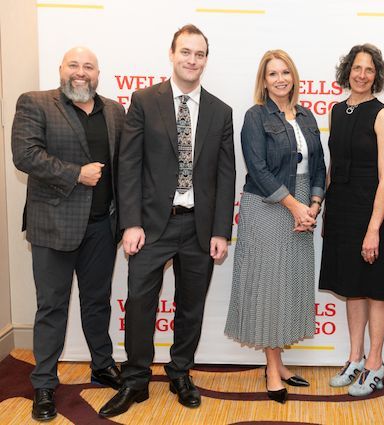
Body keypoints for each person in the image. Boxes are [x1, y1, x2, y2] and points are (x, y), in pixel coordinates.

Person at [99, 24, 235, 417]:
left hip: (199, 227)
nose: (192, 60)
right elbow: (129, 165)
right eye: (186, 52)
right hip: (151, 227)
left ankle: (179, 373)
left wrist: (221, 231)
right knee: (141, 303)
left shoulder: (220, 111)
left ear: (206, 60)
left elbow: (226, 175)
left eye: (199, 54)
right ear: (172, 54)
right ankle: (136, 380)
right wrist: (131, 223)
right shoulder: (143, 101)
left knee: (190, 306)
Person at [11, 46, 125, 422]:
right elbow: (25, 155)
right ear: (61, 69)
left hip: (101, 227)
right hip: (53, 227)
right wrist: (76, 173)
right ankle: (44, 382)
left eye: (88, 66)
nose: (81, 72)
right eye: (74, 65)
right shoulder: (36, 103)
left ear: (98, 73)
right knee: (51, 307)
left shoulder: (114, 111)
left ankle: (102, 365)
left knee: (98, 301)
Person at [224, 50, 326, 404]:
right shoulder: (255, 116)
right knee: (268, 287)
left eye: (285, 72)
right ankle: (271, 368)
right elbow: (258, 168)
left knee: (288, 286)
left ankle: (279, 361)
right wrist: (295, 206)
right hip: (268, 205)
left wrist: (312, 205)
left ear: (294, 77)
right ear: (264, 81)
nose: (280, 79)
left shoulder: (308, 116)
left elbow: (319, 168)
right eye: (273, 74)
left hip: (302, 208)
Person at [319, 44, 384, 396]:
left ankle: (376, 363)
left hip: (369, 213)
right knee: (352, 288)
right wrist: (326, 209)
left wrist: (373, 229)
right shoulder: (337, 110)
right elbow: (335, 167)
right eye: (357, 68)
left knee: (374, 291)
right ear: (347, 71)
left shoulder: (383, 115)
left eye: (369, 69)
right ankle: (354, 358)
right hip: (341, 212)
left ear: (376, 75)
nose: (362, 74)